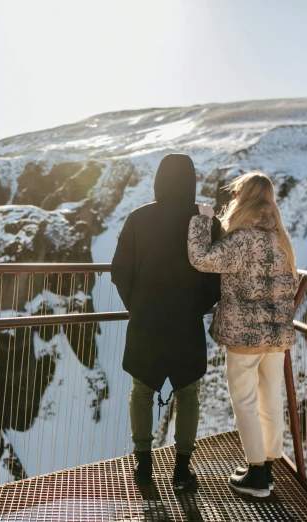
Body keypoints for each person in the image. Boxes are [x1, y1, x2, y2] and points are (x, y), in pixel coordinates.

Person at [112, 153, 221, 491]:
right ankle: (182, 469)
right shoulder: (205, 221)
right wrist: (196, 306)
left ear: (159, 180)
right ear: (191, 181)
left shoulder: (138, 218)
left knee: (142, 389)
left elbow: (120, 271)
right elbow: (215, 279)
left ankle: (143, 465)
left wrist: (138, 306)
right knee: (188, 392)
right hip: (186, 321)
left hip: (146, 319)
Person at [187, 172, 297, 498]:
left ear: (242, 197)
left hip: (245, 336)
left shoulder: (241, 239)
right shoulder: (280, 239)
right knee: (270, 400)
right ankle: (268, 464)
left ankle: (257, 475)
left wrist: (199, 220)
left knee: (245, 403)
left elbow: (200, 259)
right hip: (276, 336)